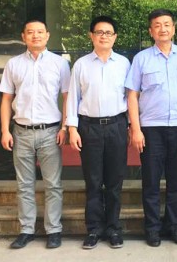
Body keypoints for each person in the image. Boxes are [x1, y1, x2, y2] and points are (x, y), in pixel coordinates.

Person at [125, 9, 177, 247]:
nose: (163, 29)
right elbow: (132, 95)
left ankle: (175, 226)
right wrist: (135, 129)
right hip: (151, 129)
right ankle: (152, 229)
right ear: (151, 31)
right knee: (151, 182)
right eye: (157, 25)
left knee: (176, 181)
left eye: (167, 24)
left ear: (174, 29)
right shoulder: (141, 59)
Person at [0, 19, 70, 249]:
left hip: (51, 132)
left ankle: (54, 230)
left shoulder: (60, 64)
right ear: (23, 36)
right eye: (30, 32)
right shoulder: (13, 64)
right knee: (24, 185)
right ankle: (26, 230)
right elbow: (6, 99)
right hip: (21, 132)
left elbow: (68, 97)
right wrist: (5, 130)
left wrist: (65, 127)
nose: (35, 36)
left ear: (48, 35)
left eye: (40, 32)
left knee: (53, 184)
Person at [66, 16, 131, 250]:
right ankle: (93, 229)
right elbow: (73, 97)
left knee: (114, 181)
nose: (104, 36)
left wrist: (132, 126)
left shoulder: (124, 63)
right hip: (89, 127)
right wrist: (72, 128)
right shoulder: (81, 64)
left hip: (117, 126)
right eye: (99, 32)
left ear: (115, 37)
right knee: (93, 181)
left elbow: (131, 97)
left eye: (108, 32)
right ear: (91, 36)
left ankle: (113, 228)